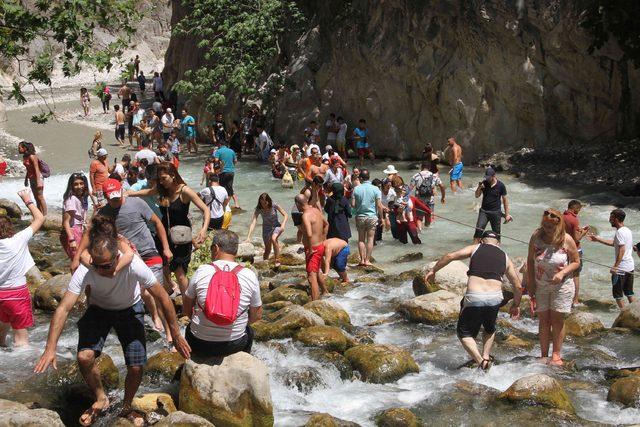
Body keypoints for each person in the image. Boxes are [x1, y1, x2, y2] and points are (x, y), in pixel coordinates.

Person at [34, 216, 190, 426]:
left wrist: (177, 335)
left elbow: (162, 296)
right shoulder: (87, 268)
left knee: (136, 367)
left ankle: (126, 406)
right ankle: (101, 398)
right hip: (99, 310)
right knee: (84, 357)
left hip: (129, 309)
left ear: (117, 256)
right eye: (98, 266)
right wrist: (50, 347)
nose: (103, 271)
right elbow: (63, 308)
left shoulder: (133, 263)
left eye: (108, 265)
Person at [425, 230, 522, 370]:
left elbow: (450, 256)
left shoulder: (475, 247)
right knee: (489, 328)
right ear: (498, 244)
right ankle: (486, 355)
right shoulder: (505, 256)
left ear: (481, 241)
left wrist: (433, 270)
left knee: (463, 333)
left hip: (475, 297)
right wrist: (516, 305)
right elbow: (518, 286)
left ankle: (481, 361)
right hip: (495, 298)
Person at [129, 163, 210, 295]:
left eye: (163, 178)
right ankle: (171, 292)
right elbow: (148, 192)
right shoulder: (163, 190)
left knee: (180, 272)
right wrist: (130, 194)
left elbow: (206, 210)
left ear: (173, 175)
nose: (161, 182)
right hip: (164, 235)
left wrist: (203, 230)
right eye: (159, 179)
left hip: (180, 236)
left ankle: (187, 304)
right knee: (164, 267)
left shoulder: (185, 191)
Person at [183, 230, 262, 361]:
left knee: (188, 328)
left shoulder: (202, 270)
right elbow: (257, 316)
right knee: (250, 331)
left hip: (200, 343)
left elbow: (186, 310)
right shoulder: (249, 275)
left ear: (216, 248)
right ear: (236, 252)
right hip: (234, 344)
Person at [527, 208, 580, 366]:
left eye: (550, 226)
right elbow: (530, 260)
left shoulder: (566, 239)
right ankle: (544, 354)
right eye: (545, 225)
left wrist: (562, 273)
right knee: (543, 319)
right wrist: (530, 284)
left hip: (561, 286)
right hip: (541, 284)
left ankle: (556, 354)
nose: (547, 229)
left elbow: (576, 262)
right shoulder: (536, 236)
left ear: (558, 224)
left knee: (557, 320)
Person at [0, 189, 44, 347]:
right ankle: (21, 371)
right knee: (21, 341)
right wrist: (27, 199)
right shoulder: (18, 240)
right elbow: (40, 218)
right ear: (10, 228)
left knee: (1, 331)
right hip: (16, 294)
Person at [589, 208, 635, 309]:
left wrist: (615, 267)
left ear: (617, 219)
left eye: (611, 218)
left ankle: (623, 314)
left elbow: (622, 249)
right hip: (630, 266)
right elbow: (615, 244)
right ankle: (637, 313)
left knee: (618, 295)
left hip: (621, 269)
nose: (609, 220)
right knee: (629, 293)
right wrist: (597, 239)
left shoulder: (620, 232)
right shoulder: (627, 230)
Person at [295, 194, 328, 300]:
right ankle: (325, 292)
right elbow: (326, 224)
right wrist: (323, 239)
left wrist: (309, 249)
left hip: (313, 249)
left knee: (311, 276)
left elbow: (309, 234)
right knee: (316, 271)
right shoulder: (316, 210)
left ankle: (315, 302)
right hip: (320, 246)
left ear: (298, 204)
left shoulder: (305, 215)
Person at [246, 193, 288, 267]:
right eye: (262, 203)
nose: (264, 205)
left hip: (276, 226)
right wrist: (248, 237)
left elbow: (285, 214)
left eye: (265, 202)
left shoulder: (274, 205)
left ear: (268, 201)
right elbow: (253, 222)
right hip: (266, 229)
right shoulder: (259, 209)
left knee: (274, 239)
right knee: (267, 250)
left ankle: (277, 260)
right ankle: (265, 265)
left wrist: (283, 225)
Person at [352, 169, 384, 266]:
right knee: (370, 239)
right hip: (371, 216)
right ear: (369, 177)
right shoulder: (376, 189)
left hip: (360, 216)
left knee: (361, 239)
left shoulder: (356, 189)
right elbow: (379, 205)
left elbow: (353, 204)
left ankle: (361, 260)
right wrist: (382, 218)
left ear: (361, 178)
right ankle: (367, 260)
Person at [473, 167, 512, 242]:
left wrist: (507, 215)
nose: (487, 179)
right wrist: (479, 188)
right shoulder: (484, 183)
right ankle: (474, 250)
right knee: (478, 231)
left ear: (494, 176)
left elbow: (505, 201)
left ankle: (498, 250)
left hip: (495, 212)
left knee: (497, 235)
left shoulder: (501, 186)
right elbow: (477, 196)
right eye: (486, 177)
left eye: (488, 177)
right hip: (484, 211)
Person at [563, 200, 590, 306]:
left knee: (565, 273)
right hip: (575, 250)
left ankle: (565, 297)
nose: (578, 212)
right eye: (578, 210)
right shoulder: (574, 219)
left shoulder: (561, 216)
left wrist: (579, 229)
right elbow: (576, 238)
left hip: (563, 248)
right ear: (575, 208)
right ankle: (575, 300)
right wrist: (584, 232)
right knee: (576, 275)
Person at [61, 173, 90, 260]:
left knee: (80, 259)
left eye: (81, 183)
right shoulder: (71, 199)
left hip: (78, 231)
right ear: (71, 186)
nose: (79, 186)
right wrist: (71, 240)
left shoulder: (80, 198)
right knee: (78, 260)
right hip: (73, 232)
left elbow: (82, 219)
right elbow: (66, 222)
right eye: (76, 184)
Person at [410, 161, 446, 230]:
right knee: (428, 215)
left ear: (421, 167)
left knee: (419, 218)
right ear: (429, 168)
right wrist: (443, 197)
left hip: (419, 200)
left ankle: (420, 231)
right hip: (430, 200)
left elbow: (410, 188)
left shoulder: (416, 176)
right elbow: (442, 186)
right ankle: (427, 229)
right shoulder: (434, 176)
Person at [19, 141, 47, 216]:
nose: (18, 149)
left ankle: (45, 215)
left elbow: (36, 168)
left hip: (38, 177)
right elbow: (29, 169)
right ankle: (39, 214)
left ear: (24, 148)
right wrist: (26, 179)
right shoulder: (25, 157)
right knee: (36, 197)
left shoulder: (32, 156)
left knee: (40, 197)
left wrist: (38, 181)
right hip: (31, 178)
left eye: (20, 148)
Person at [215, 143, 240, 209]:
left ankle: (224, 204)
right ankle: (236, 204)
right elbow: (235, 160)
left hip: (223, 172)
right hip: (231, 171)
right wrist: (232, 166)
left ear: (220, 145)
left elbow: (216, 160)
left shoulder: (218, 151)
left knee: (222, 188)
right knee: (229, 187)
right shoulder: (232, 151)